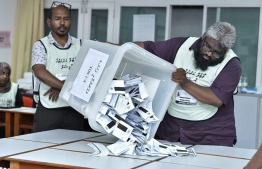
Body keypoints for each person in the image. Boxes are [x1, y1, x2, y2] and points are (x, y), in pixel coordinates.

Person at [129, 22, 241, 146]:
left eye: (216, 53)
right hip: (170, 131)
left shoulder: (232, 64)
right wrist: (117, 48)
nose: (209, 54)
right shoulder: (180, 46)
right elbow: (147, 48)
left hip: (210, 135)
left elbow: (216, 99)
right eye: (207, 47)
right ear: (203, 36)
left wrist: (184, 82)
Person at [31, 1, 84, 132]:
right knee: (42, 149)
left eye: (66, 19)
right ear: (49, 22)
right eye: (57, 19)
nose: (62, 23)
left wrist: (60, 86)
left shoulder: (81, 45)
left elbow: (87, 73)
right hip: (48, 108)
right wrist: (66, 87)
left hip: (74, 109)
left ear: (70, 22)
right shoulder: (41, 45)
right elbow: (39, 71)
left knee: (73, 149)